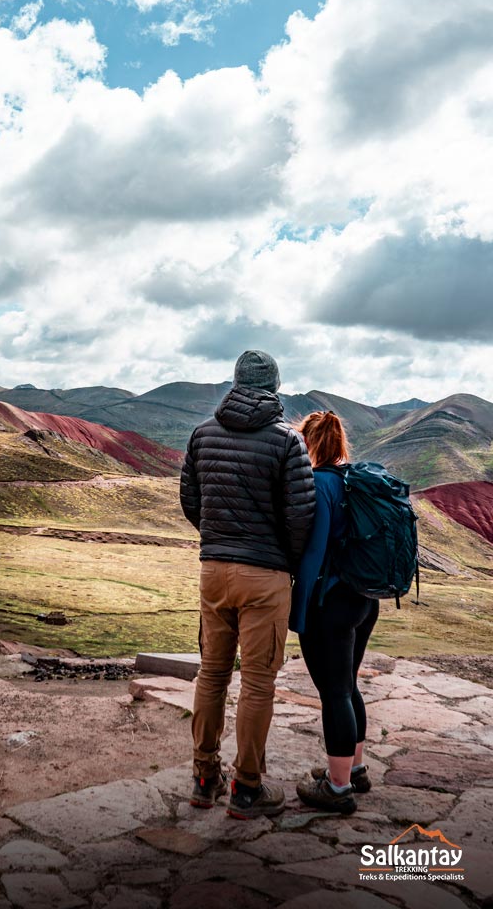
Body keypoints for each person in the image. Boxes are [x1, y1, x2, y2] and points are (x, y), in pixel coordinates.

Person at [180, 350, 316, 819]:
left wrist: (218, 538)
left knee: (212, 674)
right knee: (258, 684)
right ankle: (247, 788)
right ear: (274, 387)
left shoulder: (202, 434)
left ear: (235, 384)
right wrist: (284, 558)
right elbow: (301, 513)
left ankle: (203, 778)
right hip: (266, 575)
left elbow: (190, 500)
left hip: (213, 571)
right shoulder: (286, 442)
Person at [290, 411, 379, 815]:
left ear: (307, 442)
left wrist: (299, 605)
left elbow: (313, 550)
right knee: (349, 684)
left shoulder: (320, 483)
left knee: (335, 692)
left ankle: (337, 787)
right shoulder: (353, 481)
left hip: (331, 603)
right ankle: (354, 768)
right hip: (364, 599)